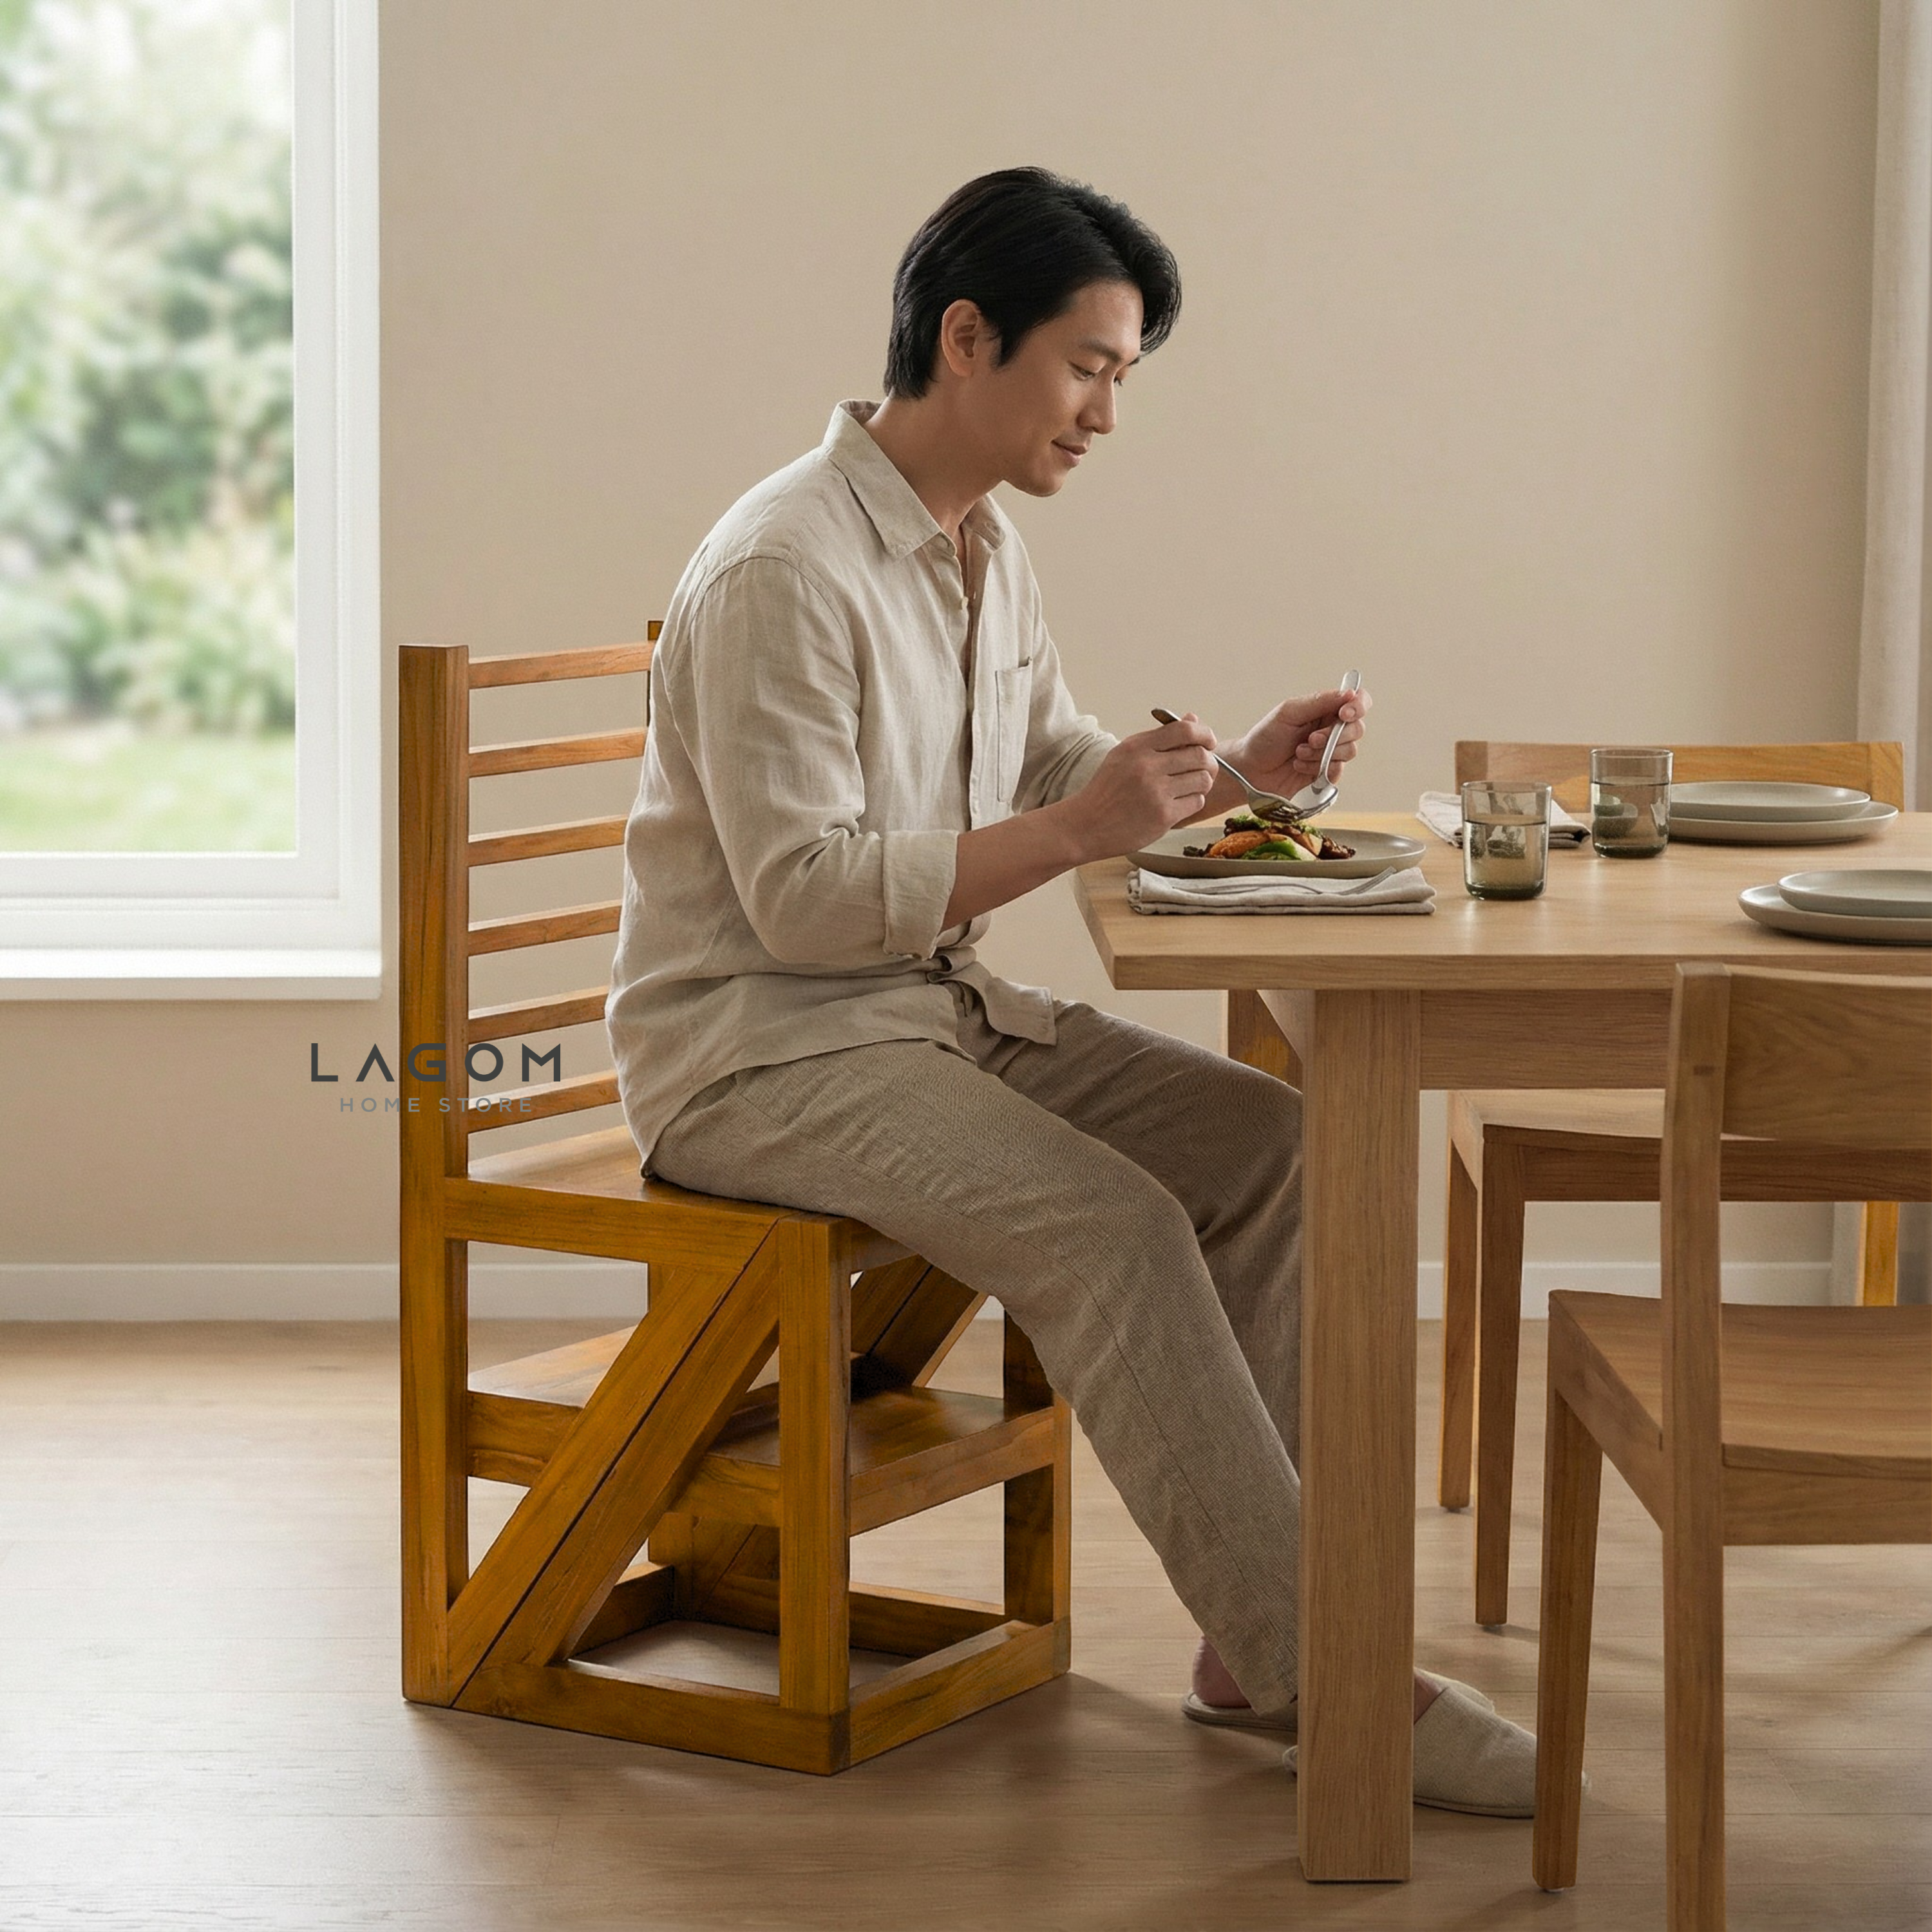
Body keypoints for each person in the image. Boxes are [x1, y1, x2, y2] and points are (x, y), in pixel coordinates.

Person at [607, 166, 1537, 1816]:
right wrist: (1074, 828)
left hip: (926, 1019)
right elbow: (804, 905)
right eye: (1091, 366)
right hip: (758, 1053)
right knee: (1112, 1230)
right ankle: (1334, 1679)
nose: (1110, 411)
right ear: (968, 339)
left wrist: (1230, 776)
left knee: (1276, 1147)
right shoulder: (780, 570)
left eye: (1124, 377)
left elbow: (1045, 759)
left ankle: (1252, 1646)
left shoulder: (981, 547)